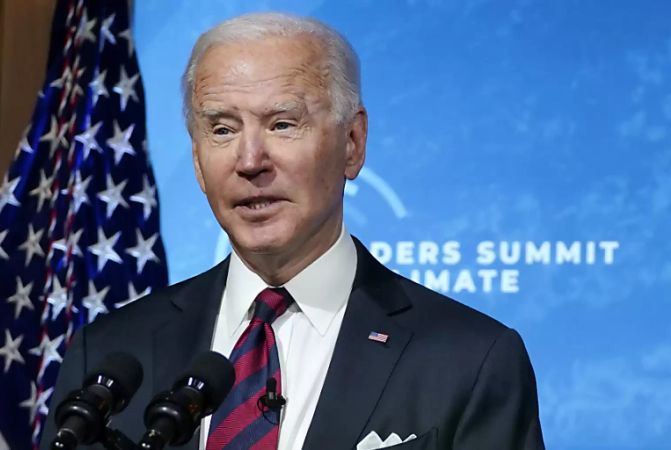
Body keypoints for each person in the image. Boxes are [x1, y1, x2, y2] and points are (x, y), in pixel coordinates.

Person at [42, 12, 545, 450]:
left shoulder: (469, 359)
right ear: (196, 160)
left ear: (352, 143)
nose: (250, 160)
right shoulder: (108, 352)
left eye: (283, 124)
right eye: (222, 129)